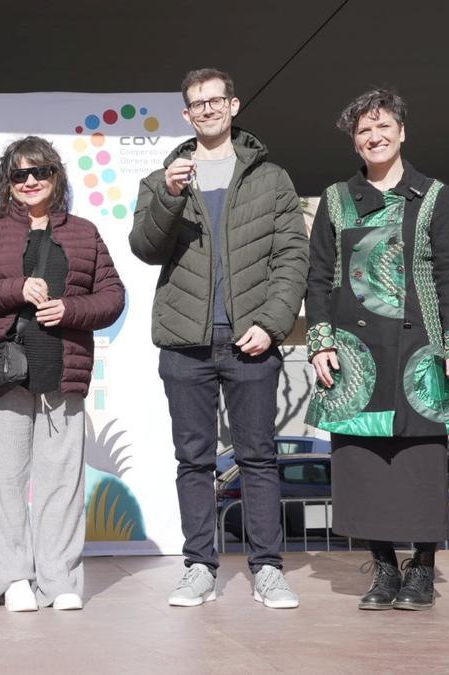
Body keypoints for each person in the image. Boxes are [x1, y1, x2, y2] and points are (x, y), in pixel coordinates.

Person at [130, 68, 307, 609]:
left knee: (258, 457)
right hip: (185, 341)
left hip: (251, 339)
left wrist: (272, 324)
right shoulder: (162, 179)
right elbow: (145, 247)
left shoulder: (270, 179)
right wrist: (168, 195)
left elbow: (292, 257)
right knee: (193, 460)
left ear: (233, 105)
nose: (206, 109)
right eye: (196, 103)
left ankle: (268, 568)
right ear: (186, 114)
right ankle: (198, 568)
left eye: (215, 100)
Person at [305, 88, 449, 610]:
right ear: (354, 142)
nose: (374, 137)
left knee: (422, 463)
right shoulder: (336, 198)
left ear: (402, 131)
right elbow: (318, 277)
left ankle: (421, 568)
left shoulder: (434, 195)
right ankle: (382, 568)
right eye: (364, 130)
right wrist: (320, 343)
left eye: (383, 127)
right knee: (361, 464)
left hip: (420, 349)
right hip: (354, 351)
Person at [0, 136, 124, 612]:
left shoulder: (84, 233)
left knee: (62, 483)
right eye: (19, 174)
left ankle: (59, 579)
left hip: (62, 372)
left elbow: (112, 297)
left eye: (40, 172)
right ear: (7, 182)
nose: (30, 181)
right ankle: (13, 579)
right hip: (3, 375)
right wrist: (16, 289)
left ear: (56, 176)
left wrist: (70, 309)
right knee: (3, 482)